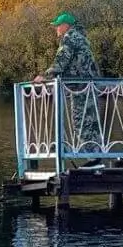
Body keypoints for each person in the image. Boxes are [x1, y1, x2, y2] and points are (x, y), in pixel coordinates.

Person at [35, 12, 103, 155]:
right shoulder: (81, 37)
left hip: (80, 87)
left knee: (81, 122)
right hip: (91, 84)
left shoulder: (69, 38)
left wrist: (44, 76)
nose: (56, 29)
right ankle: (96, 156)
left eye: (58, 26)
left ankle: (92, 157)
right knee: (92, 122)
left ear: (66, 26)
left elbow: (61, 62)